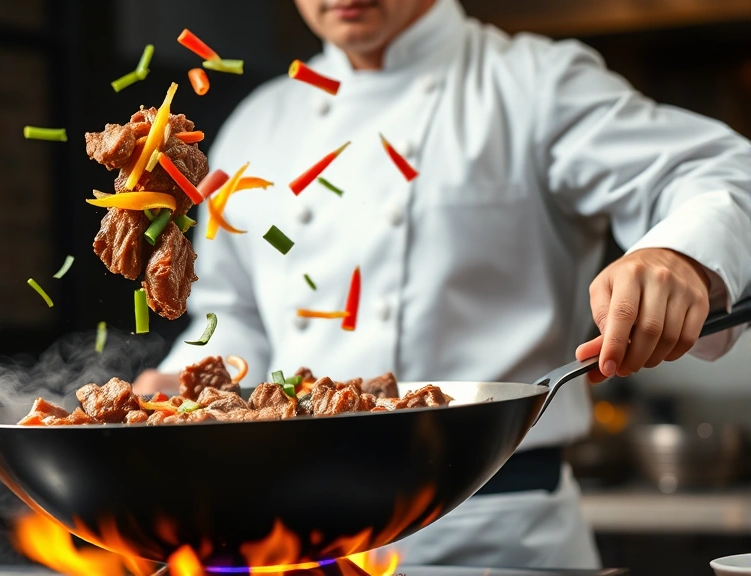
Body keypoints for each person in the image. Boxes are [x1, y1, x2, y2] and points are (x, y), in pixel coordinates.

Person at [135, 0, 751, 568]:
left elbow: (725, 171)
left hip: (494, 532)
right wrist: (184, 385)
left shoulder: (532, 83)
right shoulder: (258, 123)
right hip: (297, 533)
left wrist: (678, 255)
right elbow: (234, 315)